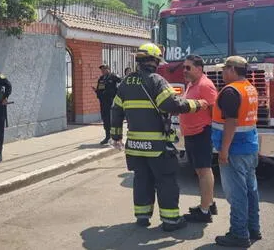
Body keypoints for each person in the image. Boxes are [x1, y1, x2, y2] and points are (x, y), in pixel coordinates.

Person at [111, 43, 209, 232]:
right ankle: (171, 221)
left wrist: (116, 136)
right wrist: (197, 104)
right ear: (154, 61)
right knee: (165, 181)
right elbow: (170, 104)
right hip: (156, 145)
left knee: (141, 179)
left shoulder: (125, 82)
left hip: (134, 145)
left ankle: (142, 216)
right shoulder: (157, 80)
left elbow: (115, 110)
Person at [213, 56, 261, 247]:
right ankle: (253, 228)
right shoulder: (249, 88)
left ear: (232, 69)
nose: (222, 73)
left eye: (224, 69)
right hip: (249, 147)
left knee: (237, 194)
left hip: (235, 150)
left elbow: (231, 123)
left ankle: (239, 234)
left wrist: (224, 151)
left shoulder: (231, 91)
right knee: (251, 191)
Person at [180, 55, 218, 223]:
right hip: (191, 133)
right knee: (199, 170)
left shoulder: (205, 85)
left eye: (188, 67)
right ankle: (208, 203)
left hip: (201, 132)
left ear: (199, 69)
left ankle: (204, 211)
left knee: (204, 170)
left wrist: (207, 128)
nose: (184, 71)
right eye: (184, 67)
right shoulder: (191, 84)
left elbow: (214, 111)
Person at [93, 64, 121, 144]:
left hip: (111, 102)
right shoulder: (101, 79)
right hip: (103, 102)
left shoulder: (113, 77)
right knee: (105, 119)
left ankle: (115, 138)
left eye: (104, 69)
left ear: (108, 69)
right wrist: (96, 91)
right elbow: (100, 89)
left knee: (112, 119)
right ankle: (107, 136)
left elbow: (121, 82)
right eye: (101, 70)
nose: (103, 71)